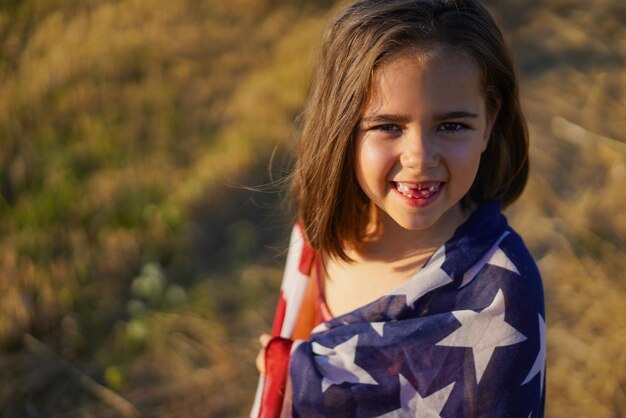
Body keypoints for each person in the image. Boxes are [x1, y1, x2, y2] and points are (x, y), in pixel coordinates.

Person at [252, 0, 546, 417]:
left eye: (452, 126)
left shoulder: (502, 290)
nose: (420, 157)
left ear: (489, 122)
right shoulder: (319, 234)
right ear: (341, 127)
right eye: (388, 126)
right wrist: (289, 369)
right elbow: (305, 353)